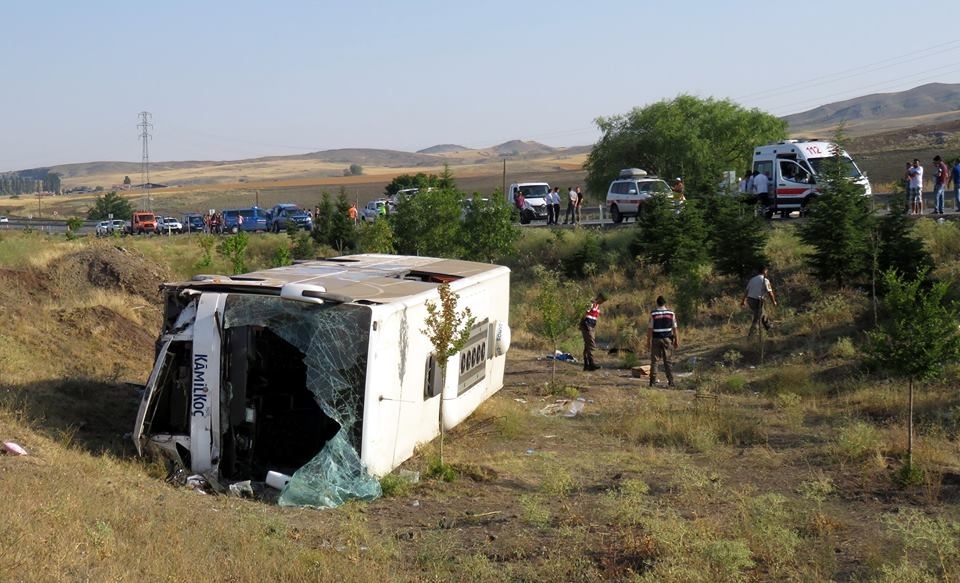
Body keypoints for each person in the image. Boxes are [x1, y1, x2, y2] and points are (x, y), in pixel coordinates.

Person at [647, 295, 679, 387]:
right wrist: (676, 340)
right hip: (668, 339)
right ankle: (671, 381)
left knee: (654, 361)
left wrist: (648, 342)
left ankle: (652, 382)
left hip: (656, 339)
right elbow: (675, 328)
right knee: (668, 361)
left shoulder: (653, 314)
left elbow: (650, 329)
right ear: (665, 303)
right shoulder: (671, 314)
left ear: (657, 303)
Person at [741, 265, 778, 336]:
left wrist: (743, 301)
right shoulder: (765, 280)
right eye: (766, 271)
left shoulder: (752, 279)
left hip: (750, 300)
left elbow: (746, 291)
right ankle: (752, 334)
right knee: (758, 317)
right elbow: (770, 293)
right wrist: (774, 302)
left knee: (762, 314)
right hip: (757, 301)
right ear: (764, 271)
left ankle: (770, 328)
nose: (767, 273)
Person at [579, 292, 606, 371]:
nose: (602, 302)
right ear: (599, 297)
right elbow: (584, 314)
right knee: (591, 345)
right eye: (602, 300)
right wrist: (582, 324)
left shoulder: (598, 307)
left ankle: (586, 365)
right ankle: (591, 364)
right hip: (587, 326)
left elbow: (594, 317)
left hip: (592, 326)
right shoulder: (591, 304)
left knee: (587, 346)